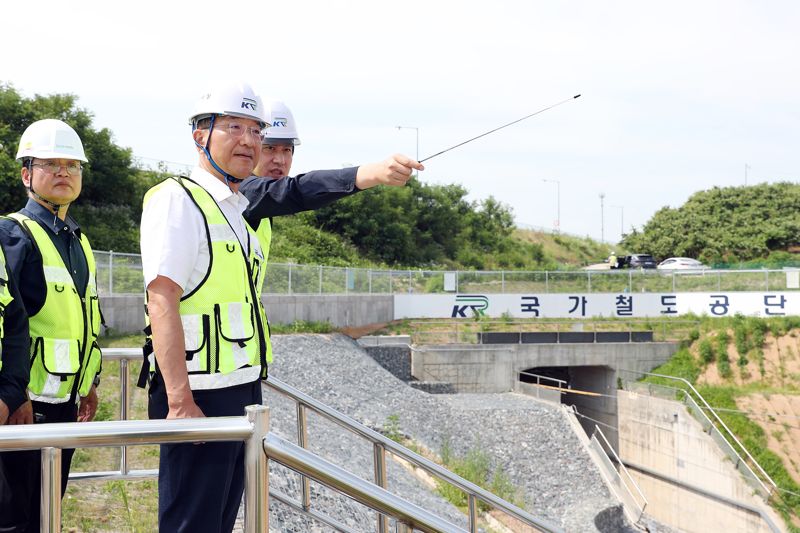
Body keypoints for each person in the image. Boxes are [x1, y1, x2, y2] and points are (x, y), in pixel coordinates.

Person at [139, 81, 421, 533]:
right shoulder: (181, 199)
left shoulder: (234, 206)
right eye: (236, 129)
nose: (254, 145)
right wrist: (178, 401)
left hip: (240, 383)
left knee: (219, 516)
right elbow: (161, 298)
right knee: (191, 519)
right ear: (200, 134)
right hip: (199, 392)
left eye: (258, 132)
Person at [0, 119, 102, 532]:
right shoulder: (13, 234)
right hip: (25, 410)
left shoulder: (77, 240)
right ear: (27, 174)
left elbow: (82, 320)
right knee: (15, 520)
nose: (64, 172)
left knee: (47, 515)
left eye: (72, 165)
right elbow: (9, 323)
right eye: (51, 164)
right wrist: (13, 393)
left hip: (65, 406)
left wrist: (88, 383)